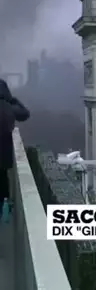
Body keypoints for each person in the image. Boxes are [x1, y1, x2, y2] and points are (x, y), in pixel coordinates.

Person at [0, 79, 29, 219]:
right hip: (3, 159)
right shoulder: (8, 107)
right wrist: (13, 100)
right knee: (2, 182)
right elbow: (25, 114)